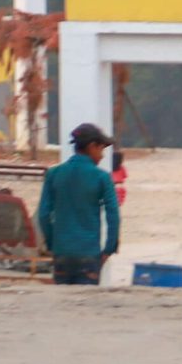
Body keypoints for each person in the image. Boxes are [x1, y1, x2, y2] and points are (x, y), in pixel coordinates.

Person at [37, 122, 121, 286]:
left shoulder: (54, 174)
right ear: (91, 146)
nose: (102, 156)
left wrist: (52, 243)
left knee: (63, 304)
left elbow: (43, 214)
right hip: (89, 254)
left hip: (61, 252)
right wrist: (108, 249)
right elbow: (113, 216)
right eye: (101, 149)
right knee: (84, 306)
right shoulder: (102, 177)